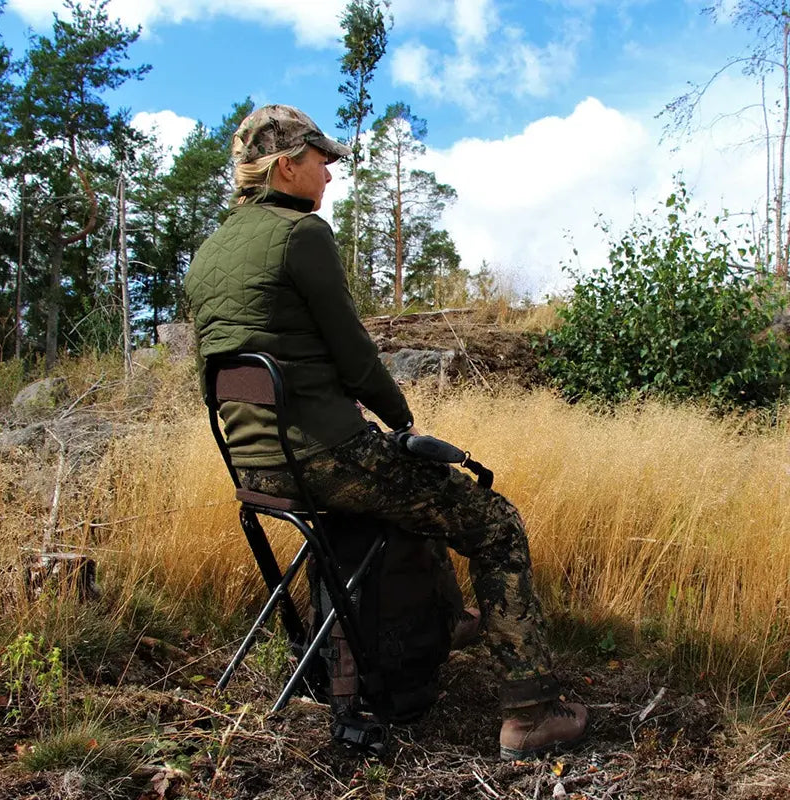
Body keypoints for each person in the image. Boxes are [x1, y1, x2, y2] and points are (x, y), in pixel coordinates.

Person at [185, 104, 587, 759]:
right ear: (285, 167)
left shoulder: (209, 254)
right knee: (495, 522)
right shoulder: (301, 234)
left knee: (414, 488)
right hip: (325, 460)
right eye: (321, 161)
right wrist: (401, 421)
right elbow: (354, 355)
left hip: (256, 470)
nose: (329, 175)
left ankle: (446, 622)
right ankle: (531, 712)